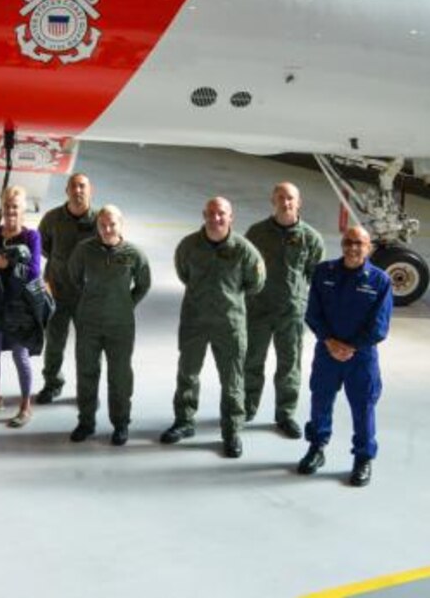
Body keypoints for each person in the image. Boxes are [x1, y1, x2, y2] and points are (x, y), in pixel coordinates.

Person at [161, 197, 266, 457]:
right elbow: (183, 273)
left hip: (229, 325)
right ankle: (184, 422)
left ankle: (231, 431)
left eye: (221, 214)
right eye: (211, 213)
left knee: (232, 380)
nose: (215, 218)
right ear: (204, 215)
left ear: (231, 217)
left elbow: (256, 283)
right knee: (187, 374)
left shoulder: (244, 250)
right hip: (194, 321)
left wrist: (229, 300)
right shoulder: (189, 246)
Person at [298, 225, 393, 487]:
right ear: (342, 244)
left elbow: (379, 326)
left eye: (359, 243)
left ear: (369, 248)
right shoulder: (324, 272)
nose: (352, 248)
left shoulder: (380, 281)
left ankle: (363, 458)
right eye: (348, 242)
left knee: (363, 407)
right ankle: (316, 448)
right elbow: (313, 313)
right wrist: (329, 342)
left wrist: (350, 347)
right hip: (327, 352)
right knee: (320, 400)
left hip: (361, 357)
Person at [244, 182, 326, 437]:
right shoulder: (256, 233)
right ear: (273, 201)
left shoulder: (310, 238)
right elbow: (245, 268)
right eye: (280, 197)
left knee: (289, 365)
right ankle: (246, 408)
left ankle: (285, 414)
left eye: (290, 198)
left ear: (298, 202)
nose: (285, 202)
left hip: (291, 313)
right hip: (258, 310)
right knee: (251, 361)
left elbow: (316, 277)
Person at [65, 205, 151, 446]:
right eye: (102, 225)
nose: (107, 229)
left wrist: (125, 303)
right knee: (86, 373)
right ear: (97, 226)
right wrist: (90, 300)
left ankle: (121, 423)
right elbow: (73, 277)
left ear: (120, 225)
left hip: (120, 325)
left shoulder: (134, 254)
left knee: (120, 376)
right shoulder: (84, 251)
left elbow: (144, 284)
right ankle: (86, 421)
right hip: (89, 323)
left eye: (112, 224)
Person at [0, 192, 43, 428]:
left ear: (23, 209)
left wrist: (4, 263)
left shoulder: (31, 236)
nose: (10, 212)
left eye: (15, 207)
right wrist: (2, 265)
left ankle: (25, 405)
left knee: (19, 354)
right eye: (7, 207)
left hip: (19, 306)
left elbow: (33, 271)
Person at [35, 173, 97, 404]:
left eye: (82, 186)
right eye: (74, 186)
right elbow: (42, 248)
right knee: (54, 343)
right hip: (57, 293)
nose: (78, 191)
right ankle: (52, 384)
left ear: (90, 190)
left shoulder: (100, 219)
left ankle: (87, 390)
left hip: (88, 297)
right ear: (67, 191)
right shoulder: (53, 218)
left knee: (88, 346)